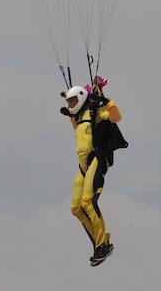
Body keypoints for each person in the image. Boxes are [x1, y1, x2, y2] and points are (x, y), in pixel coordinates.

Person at [60, 75, 126, 266]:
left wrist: (105, 101)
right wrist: (71, 113)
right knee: (76, 208)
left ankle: (102, 246)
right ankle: (101, 241)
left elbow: (116, 117)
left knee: (88, 201)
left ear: (81, 98)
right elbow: (75, 123)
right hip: (82, 167)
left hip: (96, 159)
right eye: (68, 101)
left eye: (73, 100)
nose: (70, 104)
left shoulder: (95, 113)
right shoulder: (78, 118)